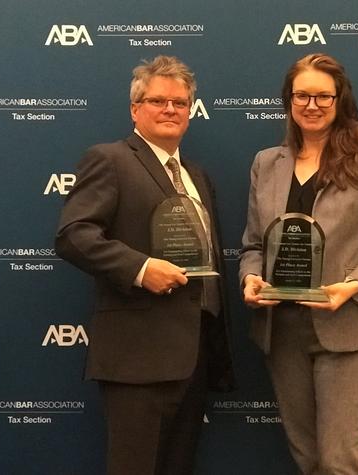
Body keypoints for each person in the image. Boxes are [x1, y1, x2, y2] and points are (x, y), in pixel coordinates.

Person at [56, 55, 235, 475]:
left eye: (180, 103)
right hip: (136, 358)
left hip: (193, 357)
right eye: (158, 101)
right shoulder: (110, 159)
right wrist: (141, 268)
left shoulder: (196, 175)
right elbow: (73, 235)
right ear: (136, 109)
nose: (170, 110)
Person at [239, 53, 358, 474]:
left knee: (339, 462)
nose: (311, 105)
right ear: (288, 100)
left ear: (340, 99)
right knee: (308, 459)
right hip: (283, 334)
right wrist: (250, 278)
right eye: (302, 96)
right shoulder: (266, 162)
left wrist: (350, 287)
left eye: (322, 96)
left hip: (350, 329)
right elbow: (254, 245)